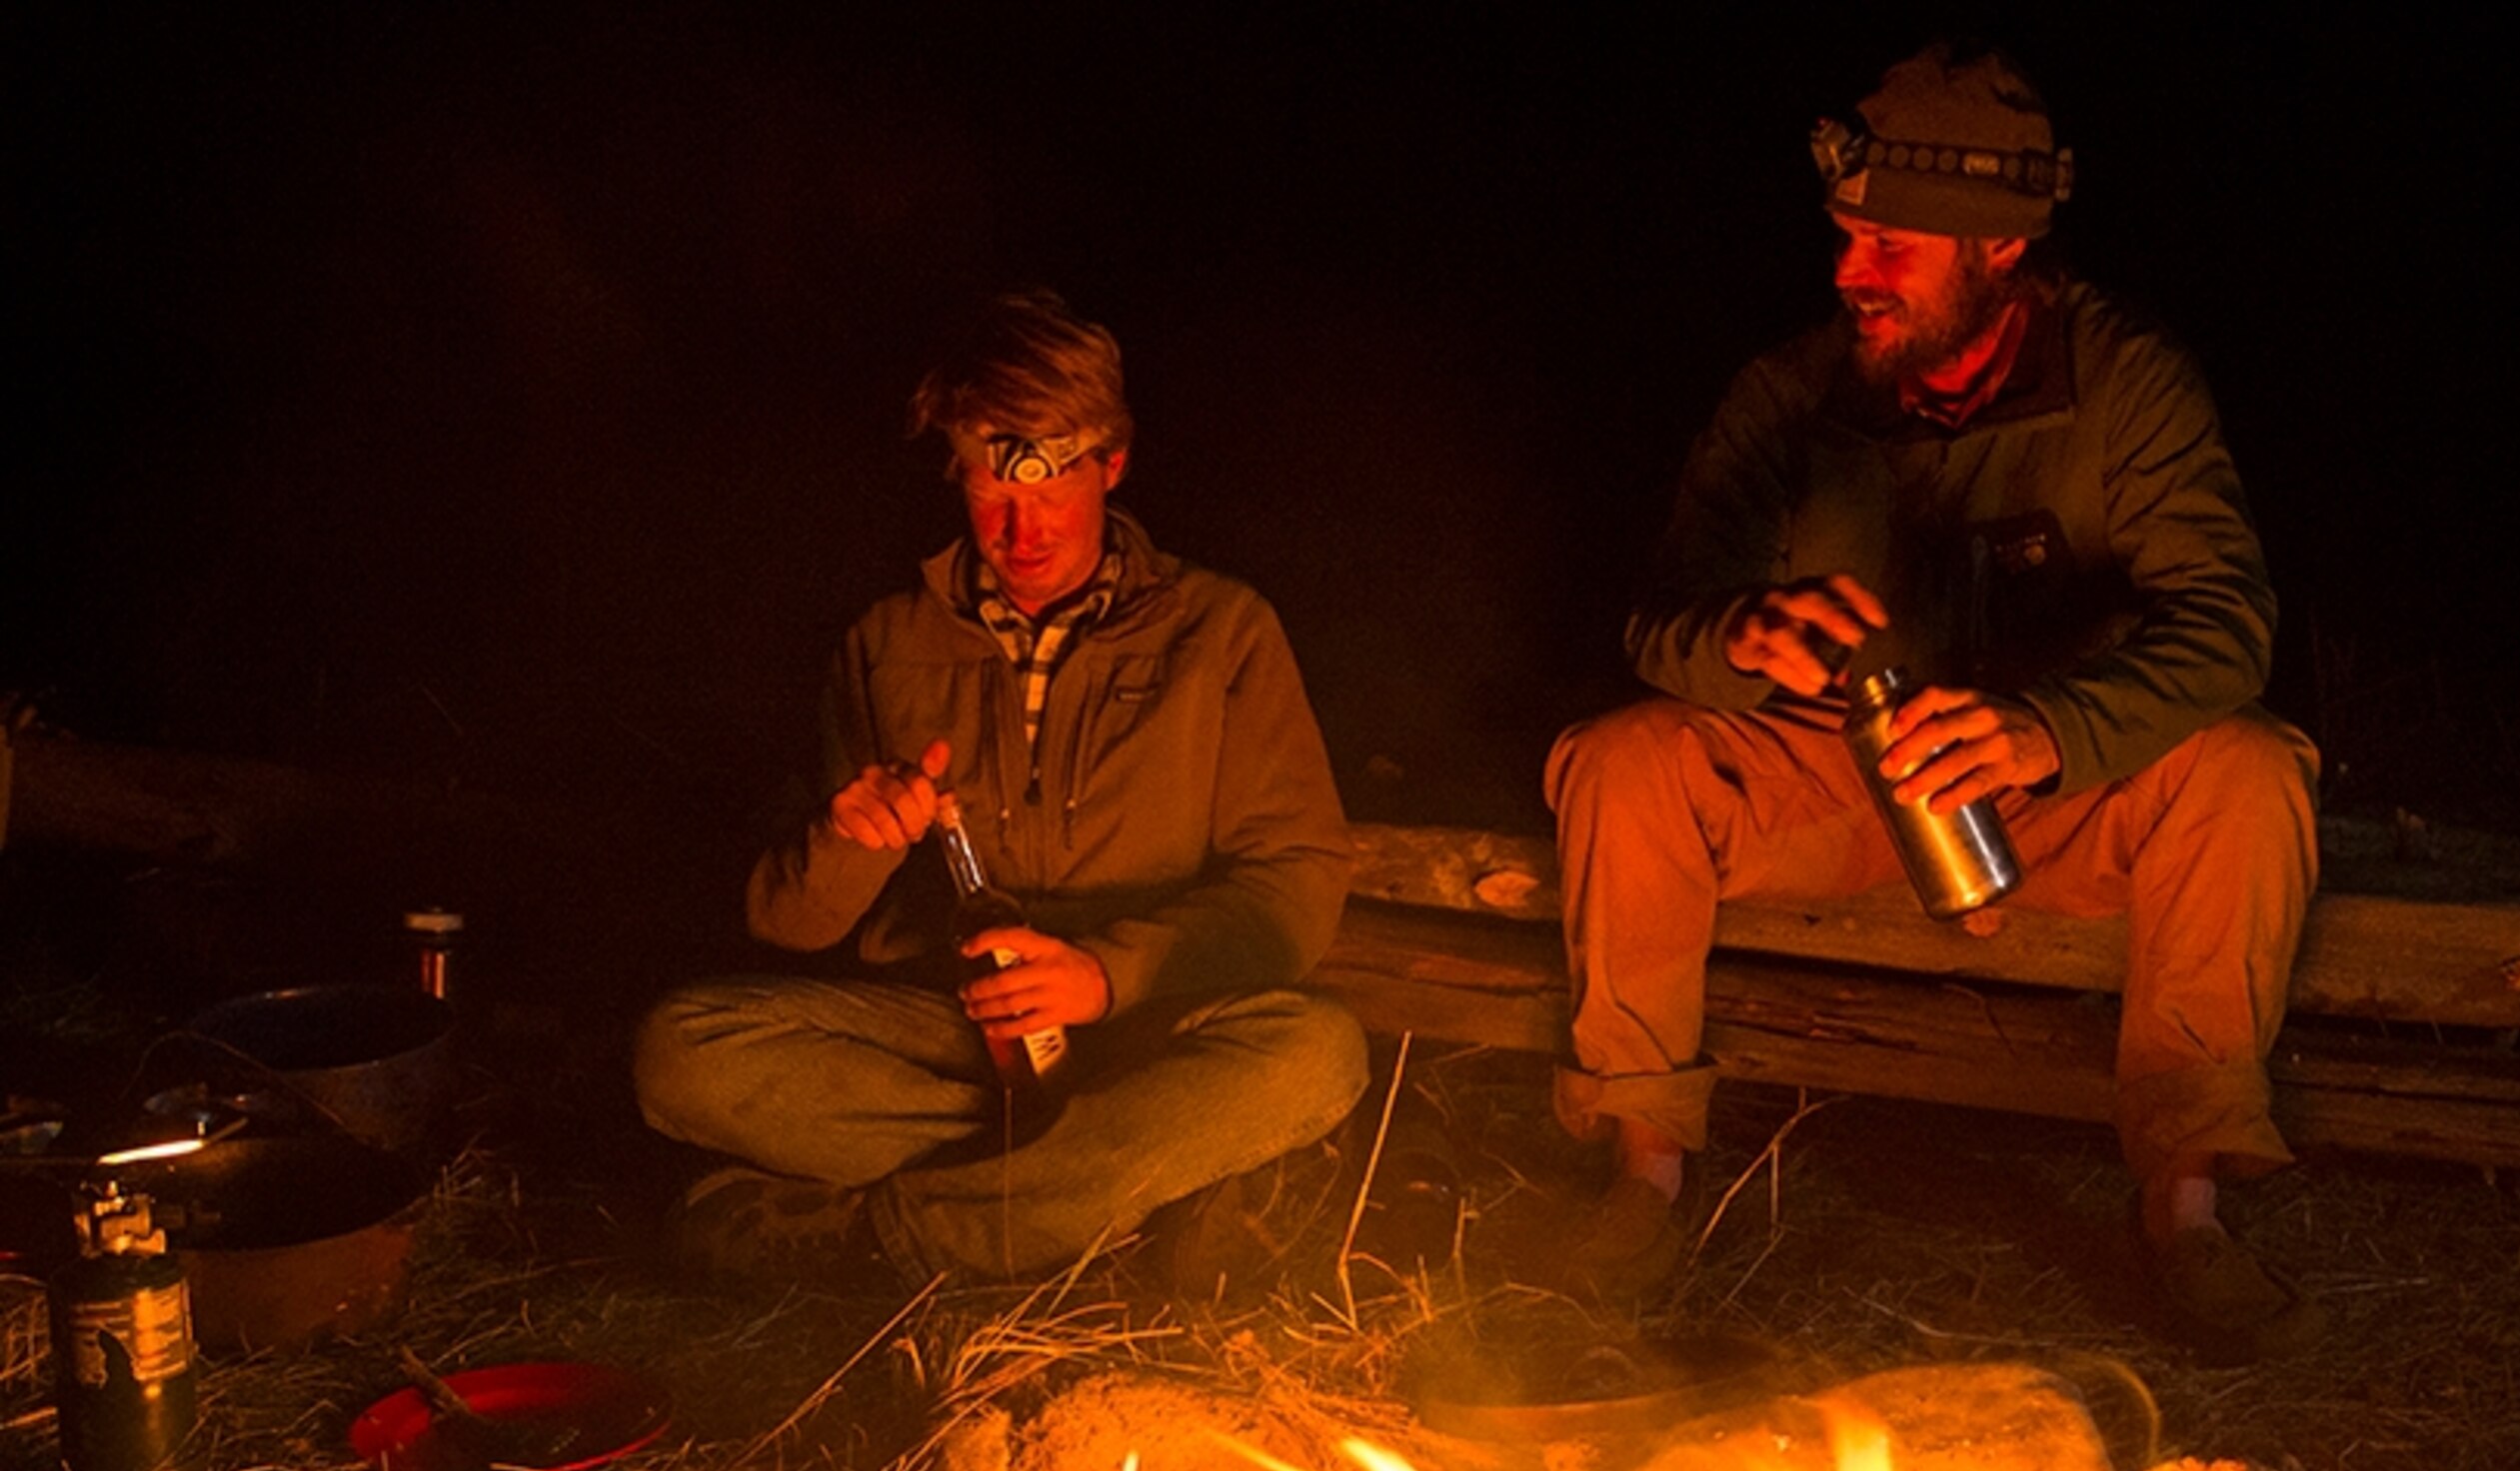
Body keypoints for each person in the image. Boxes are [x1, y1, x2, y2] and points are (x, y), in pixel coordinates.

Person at [1544, 40, 2322, 1353]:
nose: (1851, 273)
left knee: (2250, 768)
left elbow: (2227, 625)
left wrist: (2047, 730)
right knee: (1621, 760)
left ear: (2002, 250)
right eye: (1848, 237)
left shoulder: (2126, 384)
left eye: (1892, 247)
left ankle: (2184, 1212)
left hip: (2064, 796)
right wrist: (1744, 636)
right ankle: (1643, 1177)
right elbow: (1658, 621)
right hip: (1842, 785)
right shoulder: (1791, 397)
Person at [633, 288, 1366, 1292]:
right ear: (958, 473)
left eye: (1053, 491)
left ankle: (887, 1235)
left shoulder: (1220, 631)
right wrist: (850, 840)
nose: (1022, 534)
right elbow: (790, 928)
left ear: (1113, 463)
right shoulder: (885, 644)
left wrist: (1104, 976)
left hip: (1146, 1033)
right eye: (991, 495)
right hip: (949, 1034)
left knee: (1316, 1050)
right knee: (682, 1048)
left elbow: (1298, 881)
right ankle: (1118, 1194)